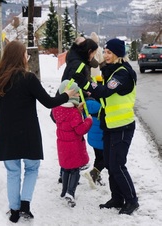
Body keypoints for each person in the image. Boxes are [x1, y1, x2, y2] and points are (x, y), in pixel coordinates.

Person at [0, 40, 77, 223]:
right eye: (25, 53)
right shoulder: (28, 79)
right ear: (20, 57)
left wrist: (2, 128)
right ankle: (25, 204)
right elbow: (49, 103)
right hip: (28, 134)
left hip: (7, 135)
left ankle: (14, 210)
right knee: (32, 168)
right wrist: (67, 95)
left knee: (12, 172)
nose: (27, 57)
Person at [72, 38, 139, 215]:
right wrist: (89, 85)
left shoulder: (122, 73)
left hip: (123, 126)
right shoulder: (111, 72)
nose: (106, 55)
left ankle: (132, 200)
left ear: (117, 54)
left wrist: (86, 83)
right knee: (110, 164)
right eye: (106, 52)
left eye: (109, 52)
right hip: (110, 124)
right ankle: (117, 198)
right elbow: (101, 90)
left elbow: (105, 91)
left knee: (118, 165)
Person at [56, 38, 98, 184]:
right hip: (69, 104)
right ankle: (69, 172)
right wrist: (84, 92)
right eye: (94, 53)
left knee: (66, 140)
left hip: (63, 103)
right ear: (89, 52)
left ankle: (65, 171)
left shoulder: (74, 57)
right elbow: (74, 83)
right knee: (72, 139)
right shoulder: (80, 65)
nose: (93, 57)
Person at [52, 79, 93, 207]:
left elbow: (66, 121)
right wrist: (88, 121)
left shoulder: (56, 110)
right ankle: (71, 192)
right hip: (74, 146)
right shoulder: (74, 112)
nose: (78, 96)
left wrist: (78, 111)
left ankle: (64, 191)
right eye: (75, 94)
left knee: (65, 168)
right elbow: (80, 129)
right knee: (75, 170)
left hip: (62, 145)